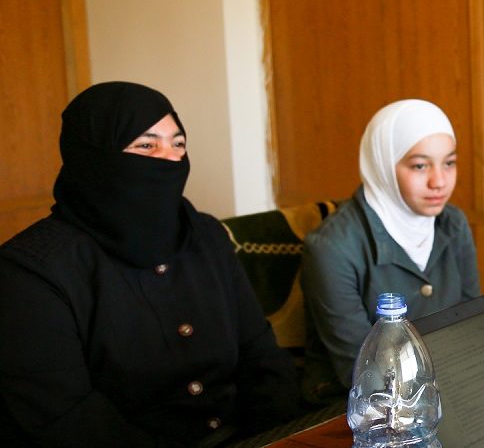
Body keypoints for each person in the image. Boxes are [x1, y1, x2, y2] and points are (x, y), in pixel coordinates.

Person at [0, 82, 299, 446]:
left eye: (178, 144)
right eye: (146, 145)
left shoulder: (205, 235)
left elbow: (261, 355)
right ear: (93, 158)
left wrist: (276, 437)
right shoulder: (32, 271)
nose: (171, 159)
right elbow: (65, 418)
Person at [302, 99, 480, 393]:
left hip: (446, 390)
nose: (439, 181)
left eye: (449, 163)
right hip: (358, 410)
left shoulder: (452, 223)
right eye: (420, 166)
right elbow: (363, 372)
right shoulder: (332, 248)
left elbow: (470, 325)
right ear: (382, 166)